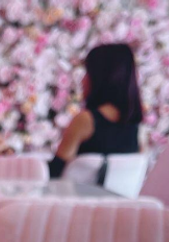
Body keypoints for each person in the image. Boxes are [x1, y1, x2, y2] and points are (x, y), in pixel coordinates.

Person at [48, 43, 144, 179]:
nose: (82, 79)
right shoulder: (138, 130)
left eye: (87, 72)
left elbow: (55, 173)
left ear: (100, 77)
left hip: (78, 199)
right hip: (121, 200)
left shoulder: (86, 121)